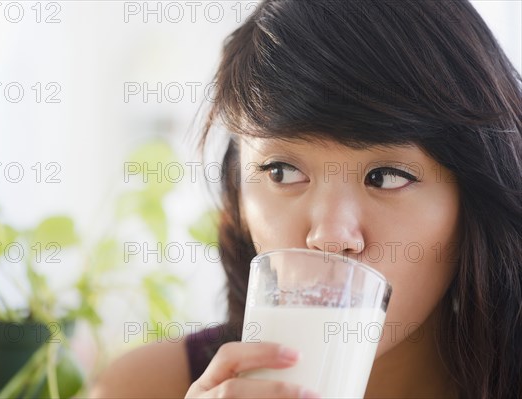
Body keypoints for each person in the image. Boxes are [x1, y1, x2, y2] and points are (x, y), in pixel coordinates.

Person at [91, 1, 522, 398]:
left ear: (473, 198)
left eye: (387, 177)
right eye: (282, 172)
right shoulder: (146, 386)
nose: (330, 238)